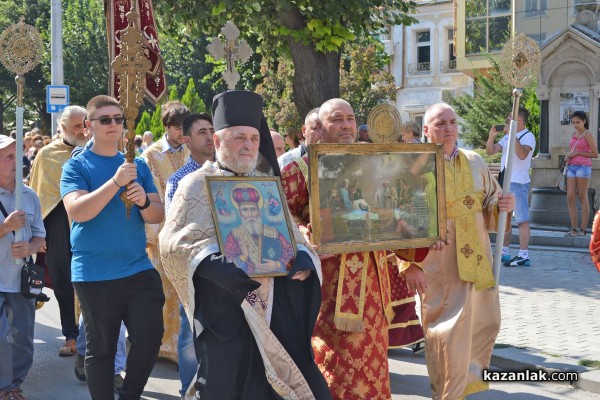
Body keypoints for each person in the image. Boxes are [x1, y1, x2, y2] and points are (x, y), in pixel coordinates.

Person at [159, 90, 330, 400]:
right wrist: (212, 264)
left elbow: (291, 234)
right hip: (223, 312)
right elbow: (172, 244)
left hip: (275, 309)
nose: (249, 145)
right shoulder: (195, 183)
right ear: (217, 142)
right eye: (239, 138)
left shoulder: (266, 184)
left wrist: (303, 256)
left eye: (253, 138)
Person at [281, 98, 398, 399]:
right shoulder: (300, 168)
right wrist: (302, 231)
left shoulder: (372, 162)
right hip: (330, 287)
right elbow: (281, 213)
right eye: (337, 119)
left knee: (375, 362)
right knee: (333, 364)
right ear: (320, 126)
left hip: (374, 281)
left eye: (350, 118)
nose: (346, 125)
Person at [401, 103, 514, 399]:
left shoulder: (475, 160)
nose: (448, 127)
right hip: (438, 265)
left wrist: (503, 207)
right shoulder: (412, 164)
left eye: (452, 122)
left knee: (483, 325)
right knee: (446, 334)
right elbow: (395, 217)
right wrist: (406, 264)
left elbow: (491, 202)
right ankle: (446, 393)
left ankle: (462, 390)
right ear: (426, 130)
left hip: (477, 261)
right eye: (440, 123)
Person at [60, 95, 165, 399]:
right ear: (88, 127)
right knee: (102, 349)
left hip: (137, 267)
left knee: (150, 337)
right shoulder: (77, 166)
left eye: (118, 119)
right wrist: (116, 183)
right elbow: (78, 211)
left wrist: (144, 200)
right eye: (105, 119)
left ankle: (130, 395)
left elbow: (157, 214)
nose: (114, 125)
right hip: (95, 272)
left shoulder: (137, 165)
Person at [163, 112, 215, 398]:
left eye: (212, 130)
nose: (209, 136)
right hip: (195, 269)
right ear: (187, 140)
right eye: (202, 132)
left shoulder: (227, 173)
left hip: (226, 267)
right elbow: (176, 229)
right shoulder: (179, 180)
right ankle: (188, 390)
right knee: (189, 335)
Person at [29, 105, 87, 358]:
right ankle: (71, 335)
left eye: (85, 124)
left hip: (90, 220)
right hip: (57, 223)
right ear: (62, 128)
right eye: (76, 126)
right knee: (64, 279)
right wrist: (37, 232)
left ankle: (94, 335)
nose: (82, 130)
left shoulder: (96, 151)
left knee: (93, 280)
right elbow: (37, 195)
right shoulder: (46, 155)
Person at [141, 101, 190, 362]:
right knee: (163, 288)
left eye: (184, 125)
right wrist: (156, 231)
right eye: (176, 126)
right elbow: (152, 193)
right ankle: (162, 344)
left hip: (189, 230)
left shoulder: (191, 151)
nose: (182, 131)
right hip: (162, 230)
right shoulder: (151, 154)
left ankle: (182, 345)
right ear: (166, 126)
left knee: (185, 287)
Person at [0, 135, 45, 400]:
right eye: (8, 157)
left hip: (20, 278)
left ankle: (15, 383)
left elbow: (40, 236)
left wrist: (30, 247)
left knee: (23, 337)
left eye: (17, 155)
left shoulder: (29, 195)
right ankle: (4, 386)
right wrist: (6, 228)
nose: (16, 161)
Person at [485, 108, 536, 267]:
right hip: (504, 180)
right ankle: (504, 252)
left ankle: (523, 255)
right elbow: (491, 151)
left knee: (521, 219)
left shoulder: (528, 136)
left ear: (519, 120)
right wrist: (492, 136)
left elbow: (522, 155)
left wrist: (512, 134)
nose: (507, 121)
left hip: (518, 182)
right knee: (504, 218)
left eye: (510, 118)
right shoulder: (508, 136)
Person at [563, 110, 598, 237]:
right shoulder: (574, 133)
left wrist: (577, 153)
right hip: (571, 167)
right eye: (573, 122)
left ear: (584, 121)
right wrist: (569, 155)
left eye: (578, 122)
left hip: (583, 167)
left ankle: (583, 229)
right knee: (570, 197)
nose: (576, 125)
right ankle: (573, 228)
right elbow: (573, 149)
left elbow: (595, 154)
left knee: (582, 196)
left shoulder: (587, 134)